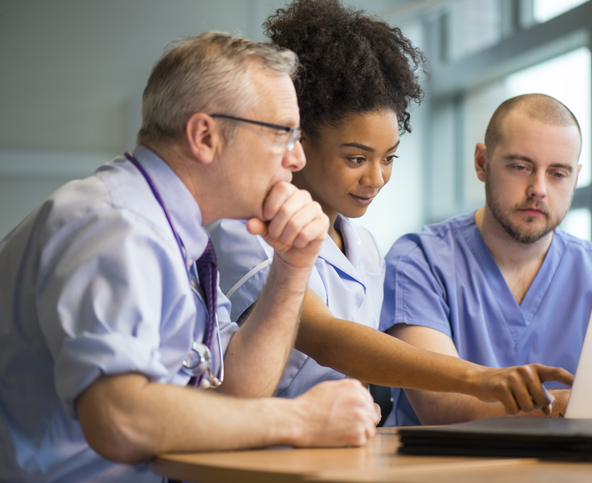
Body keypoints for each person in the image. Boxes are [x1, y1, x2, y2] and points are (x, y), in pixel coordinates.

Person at [0, 32, 380, 483]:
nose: (296, 159)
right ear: (205, 136)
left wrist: (293, 266)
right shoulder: (116, 225)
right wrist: (301, 420)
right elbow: (118, 418)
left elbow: (239, 390)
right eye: (284, 134)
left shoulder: (176, 234)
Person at [209, 0, 572, 420]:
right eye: (356, 159)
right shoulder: (246, 231)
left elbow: (356, 375)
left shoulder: (362, 245)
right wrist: (478, 379)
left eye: (389, 158)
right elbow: (330, 340)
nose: (376, 178)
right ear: (300, 142)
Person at [380, 93, 592, 426]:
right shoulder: (420, 261)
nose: (538, 188)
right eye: (520, 167)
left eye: (558, 173)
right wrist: (569, 403)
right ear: (482, 163)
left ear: (576, 178)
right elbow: (442, 407)